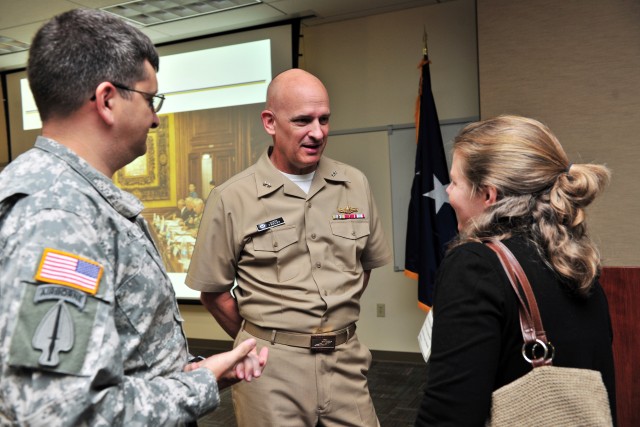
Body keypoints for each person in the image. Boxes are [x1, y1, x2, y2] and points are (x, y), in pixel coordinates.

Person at [0, 9, 267, 425]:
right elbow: (61, 414)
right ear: (108, 100)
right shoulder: (61, 215)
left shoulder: (72, 196)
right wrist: (198, 386)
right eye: (149, 99)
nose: (156, 118)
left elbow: (119, 352)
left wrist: (196, 371)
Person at [186, 68, 392, 426]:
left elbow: (364, 267)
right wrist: (265, 340)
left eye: (324, 119)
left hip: (345, 361)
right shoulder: (232, 197)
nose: (317, 132)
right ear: (270, 121)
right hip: (270, 371)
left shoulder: (353, 183)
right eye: (302, 121)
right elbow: (213, 292)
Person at [414, 115, 616, 425]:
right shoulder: (579, 263)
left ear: (488, 195)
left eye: (454, 182)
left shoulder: (475, 266)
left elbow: (448, 415)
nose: (448, 194)